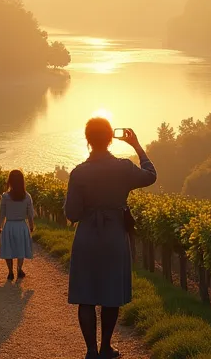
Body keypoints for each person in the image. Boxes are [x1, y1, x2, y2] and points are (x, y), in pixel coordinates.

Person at [64, 119, 157, 359]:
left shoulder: (78, 173)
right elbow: (151, 175)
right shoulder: (124, 168)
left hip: (87, 239)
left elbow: (72, 214)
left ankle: (91, 351)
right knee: (110, 293)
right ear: (110, 139)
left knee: (86, 295)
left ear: (87, 140)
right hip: (115, 236)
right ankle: (106, 347)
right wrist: (136, 145)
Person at [0, 169, 35, 281]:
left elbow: (2, 213)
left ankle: (10, 272)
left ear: (10, 182)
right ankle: (19, 269)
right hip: (22, 226)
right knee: (20, 249)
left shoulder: (5, 197)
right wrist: (31, 226)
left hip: (9, 226)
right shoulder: (27, 197)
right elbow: (30, 214)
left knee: (8, 249)